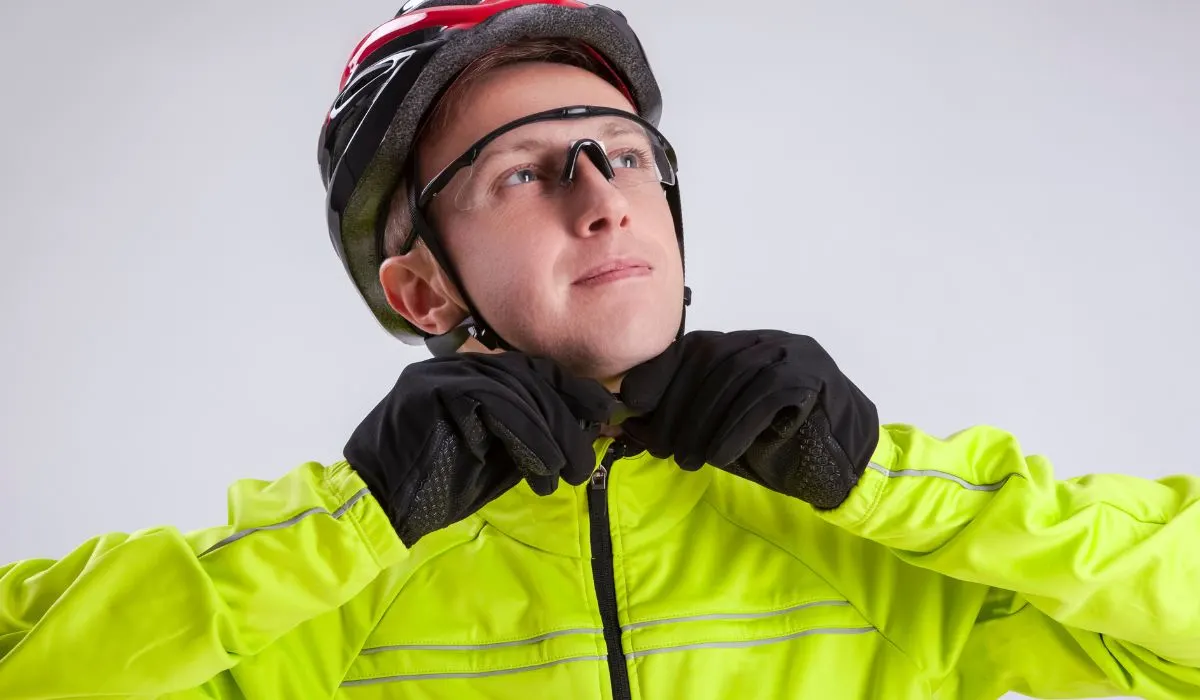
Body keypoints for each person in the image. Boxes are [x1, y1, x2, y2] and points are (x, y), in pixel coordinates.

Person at [1, 1, 1197, 697]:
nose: (604, 197)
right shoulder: (324, 588)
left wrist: (888, 477)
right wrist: (353, 521)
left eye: (623, 153)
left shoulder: (868, 537)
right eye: (523, 172)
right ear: (421, 289)